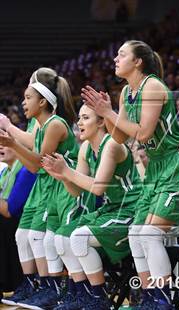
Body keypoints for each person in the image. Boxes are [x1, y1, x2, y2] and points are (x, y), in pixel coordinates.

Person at [81, 40, 179, 308]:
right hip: (156, 168)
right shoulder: (126, 92)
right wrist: (108, 114)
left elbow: (144, 133)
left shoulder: (153, 86)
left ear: (138, 62)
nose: (115, 59)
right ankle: (150, 298)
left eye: (121, 54)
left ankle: (164, 299)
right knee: (136, 233)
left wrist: (108, 112)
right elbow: (120, 137)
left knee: (148, 234)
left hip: (176, 164)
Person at [42, 104, 145, 309]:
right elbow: (76, 191)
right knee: (61, 237)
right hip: (109, 209)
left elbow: (98, 188)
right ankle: (82, 294)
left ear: (100, 122)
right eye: (79, 118)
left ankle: (99, 299)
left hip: (131, 210)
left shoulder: (112, 145)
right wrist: (62, 176)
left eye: (85, 118)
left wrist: (67, 171)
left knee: (79, 239)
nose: (79, 123)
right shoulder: (86, 148)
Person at [0, 68, 78, 308]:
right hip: (45, 184)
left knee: (44, 238)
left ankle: (53, 287)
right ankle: (32, 283)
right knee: (23, 235)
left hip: (63, 186)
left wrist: (11, 137)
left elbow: (35, 165)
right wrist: (13, 140)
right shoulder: (41, 125)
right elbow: (32, 153)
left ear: (42, 100)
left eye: (28, 97)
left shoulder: (54, 125)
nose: (24, 102)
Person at [0, 145, 37, 300]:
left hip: (22, 223)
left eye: (4, 144)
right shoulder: (4, 172)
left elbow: (9, 210)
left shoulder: (26, 171)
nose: (0, 147)